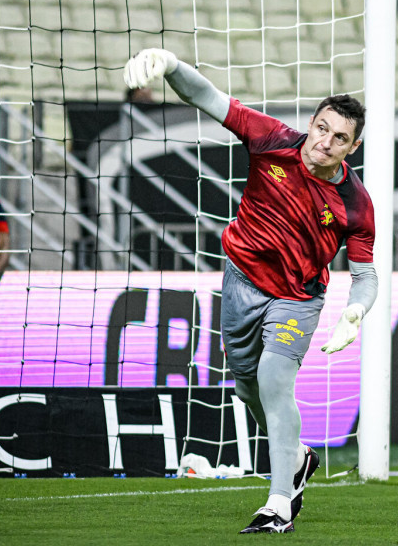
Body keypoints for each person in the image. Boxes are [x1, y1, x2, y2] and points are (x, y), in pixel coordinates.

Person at [123, 48, 378, 535]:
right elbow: (207, 97)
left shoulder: (356, 204)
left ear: (353, 147)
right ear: (313, 122)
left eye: (340, 137)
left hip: (297, 299)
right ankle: (299, 459)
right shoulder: (271, 139)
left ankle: (279, 505)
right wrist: (172, 64)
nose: (325, 142)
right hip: (240, 281)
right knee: (248, 389)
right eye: (322, 128)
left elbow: (365, 275)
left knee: (274, 381)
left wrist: (355, 311)